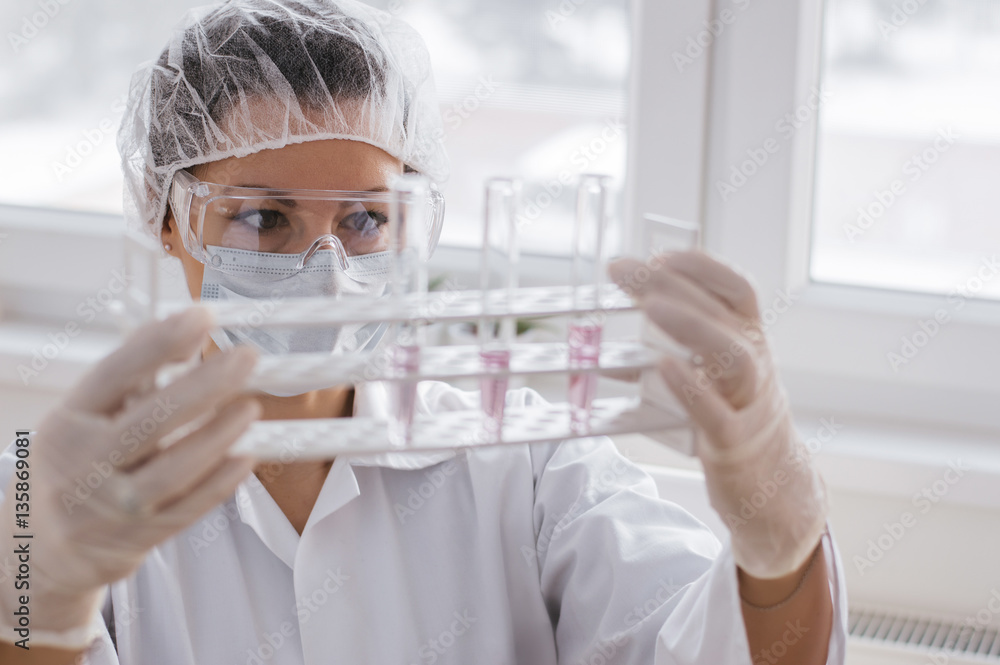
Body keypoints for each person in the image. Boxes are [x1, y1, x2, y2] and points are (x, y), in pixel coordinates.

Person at [0, 1, 847, 663]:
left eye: (367, 219)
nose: (326, 268)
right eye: (264, 217)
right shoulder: (60, 497)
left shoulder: (529, 465)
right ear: (169, 217)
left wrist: (781, 529)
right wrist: (39, 609)